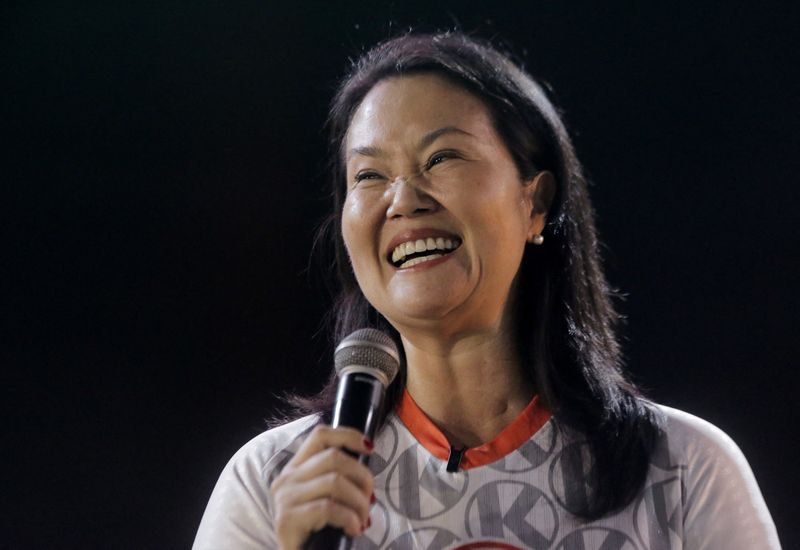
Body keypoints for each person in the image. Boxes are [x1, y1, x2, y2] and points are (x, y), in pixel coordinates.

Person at [193, 32, 780, 549]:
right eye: (369, 175)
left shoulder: (682, 471)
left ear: (537, 203)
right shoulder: (271, 482)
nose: (403, 200)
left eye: (441, 157)